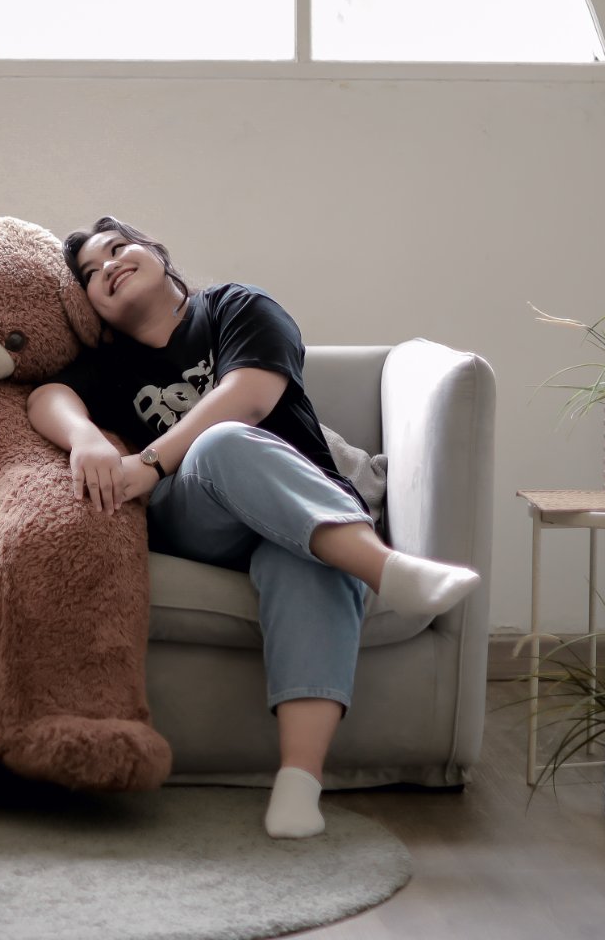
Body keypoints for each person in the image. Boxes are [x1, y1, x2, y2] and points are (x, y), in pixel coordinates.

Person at [27, 216, 480, 839]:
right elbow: (45, 396)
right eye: (90, 272)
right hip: (200, 519)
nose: (108, 265)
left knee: (307, 557)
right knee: (219, 447)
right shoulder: (111, 364)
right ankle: (387, 571)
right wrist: (85, 438)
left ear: (157, 252)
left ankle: (299, 784)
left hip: (299, 507)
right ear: (91, 307)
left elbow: (251, 395)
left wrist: (148, 462)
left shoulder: (236, 307)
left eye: (118, 247)